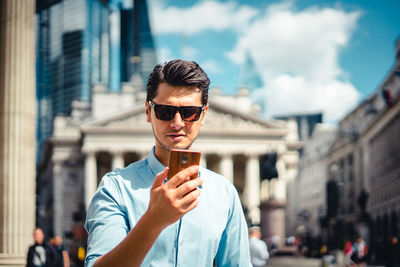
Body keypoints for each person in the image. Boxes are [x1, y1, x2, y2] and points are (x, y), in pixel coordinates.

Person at [85, 59, 251, 266]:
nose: (177, 123)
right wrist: (153, 221)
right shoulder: (115, 188)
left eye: (190, 112)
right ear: (148, 111)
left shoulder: (224, 192)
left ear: (203, 115)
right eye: (165, 111)